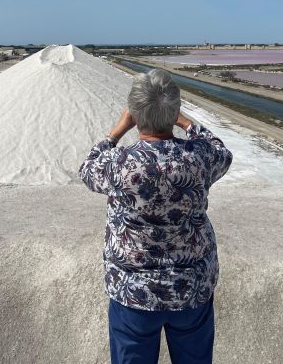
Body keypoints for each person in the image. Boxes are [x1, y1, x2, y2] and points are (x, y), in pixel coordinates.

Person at [79, 68, 233, 364]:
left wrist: (118, 130)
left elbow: (88, 168)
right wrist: (185, 121)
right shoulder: (198, 157)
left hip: (133, 291)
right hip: (191, 288)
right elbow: (222, 151)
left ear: (135, 115)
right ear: (173, 110)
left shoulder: (121, 164)